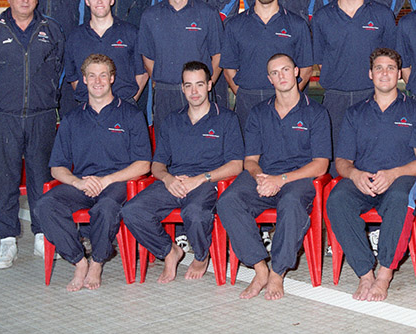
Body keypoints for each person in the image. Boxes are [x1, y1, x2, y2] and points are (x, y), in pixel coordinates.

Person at [216, 53, 330, 300]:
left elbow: (321, 165)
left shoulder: (316, 113)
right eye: (275, 73)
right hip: (265, 176)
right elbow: (251, 161)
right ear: (269, 79)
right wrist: (260, 178)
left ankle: (277, 272)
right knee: (228, 200)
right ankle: (260, 269)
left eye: (286, 70)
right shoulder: (259, 113)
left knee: (290, 204)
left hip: (298, 180)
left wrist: (281, 180)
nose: (282, 76)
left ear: (297, 71)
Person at [0, 0, 65, 268]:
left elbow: (60, 70)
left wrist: (47, 95)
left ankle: (42, 235)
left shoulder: (51, 29)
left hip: (42, 115)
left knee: (42, 178)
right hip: (3, 117)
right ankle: (6, 241)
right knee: (3, 179)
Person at [326, 48, 416, 301]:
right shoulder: (355, 113)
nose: (384, 73)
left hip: (401, 179)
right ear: (370, 74)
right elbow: (342, 160)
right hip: (363, 179)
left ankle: (384, 275)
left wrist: (395, 173)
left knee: (399, 199)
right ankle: (365, 274)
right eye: (379, 68)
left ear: (399, 74)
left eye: (390, 68)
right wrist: (354, 175)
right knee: (337, 199)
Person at [36, 54, 151, 291]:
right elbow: (57, 167)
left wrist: (107, 179)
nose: (97, 81)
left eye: (102, 75)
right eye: (92, 76)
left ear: (112, 78)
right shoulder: (72, 119)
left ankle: (97, 262)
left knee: (106, 208)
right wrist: (78, 183)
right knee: (44, 206)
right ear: (84, 80)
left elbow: (143, 165)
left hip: (118, 182)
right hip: (84, 184)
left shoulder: (130, 115)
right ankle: (79, 261)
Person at [122, 61, 244, 283]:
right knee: (132, 210)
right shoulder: (172, 120)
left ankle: (200, 255)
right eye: (188, 86)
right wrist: (168, 179)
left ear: (209, 85)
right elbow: (157, 164)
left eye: (199, 84)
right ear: (182, 88)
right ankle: (170, 252)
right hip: (176, 181)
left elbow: (236, 164)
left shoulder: (226, 118)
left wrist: (200, 179)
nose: (194, 91)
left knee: (194, 212)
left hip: (208, 181)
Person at [312, 0, 396, 159]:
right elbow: (321, 60)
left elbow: (391, 58)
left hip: (372, 97)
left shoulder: (382, 15)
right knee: (335, 158)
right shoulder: (323, 17)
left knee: (374, 157)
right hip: (335, 99)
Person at [221, 0, 313, 129]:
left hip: (285, 104)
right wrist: (242, 95)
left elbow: (306, 68)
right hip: (248, 102)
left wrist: (289, 97)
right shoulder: (235, 25)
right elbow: (228, 69)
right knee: (250, 154)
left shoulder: (297, 25)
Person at [138, 0, 223, 123]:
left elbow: (219, 55)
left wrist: (204, 85)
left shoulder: (208, 14)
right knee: (167, 147)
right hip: (165, 95)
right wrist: (160, 82)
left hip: (198, 95)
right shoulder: (150, 16)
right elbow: (147, 56)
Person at [65, 0, 147, 106]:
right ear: (86, 1)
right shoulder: (75, 37)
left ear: (112, 0)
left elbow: (142, 73)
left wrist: (129, 102)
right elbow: (73, 77)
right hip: (87, 110)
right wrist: (91, 102)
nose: (99, 1)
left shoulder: (131, 33)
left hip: (124, 107)